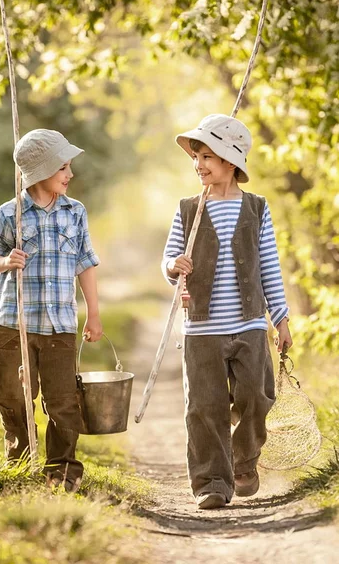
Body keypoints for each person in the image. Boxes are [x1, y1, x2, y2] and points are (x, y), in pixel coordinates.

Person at [162, 114, 292, 510]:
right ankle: (212, 482)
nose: (198, 164)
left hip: (250, 324)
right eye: (196, 157)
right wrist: (174, 268)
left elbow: (268, 264)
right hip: (202, 328)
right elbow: (170, 257)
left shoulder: (255, 209)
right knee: (205, 406)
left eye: (207, 157)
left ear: (231, 162)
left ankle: (243, 459)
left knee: (257, 396)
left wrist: (281, 319)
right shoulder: (188, 210)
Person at [0, 128, 102, 492]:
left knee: (64, 400)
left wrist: (94, 315)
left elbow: (85, 263)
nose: (70, 174)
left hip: (60, 325)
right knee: (11, 394)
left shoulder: (75, 212)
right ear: (40, 171)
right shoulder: (10, 214)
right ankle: (19, 461)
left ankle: (62, 470)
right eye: (63, 167)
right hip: (14, 322)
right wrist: (7, 261)